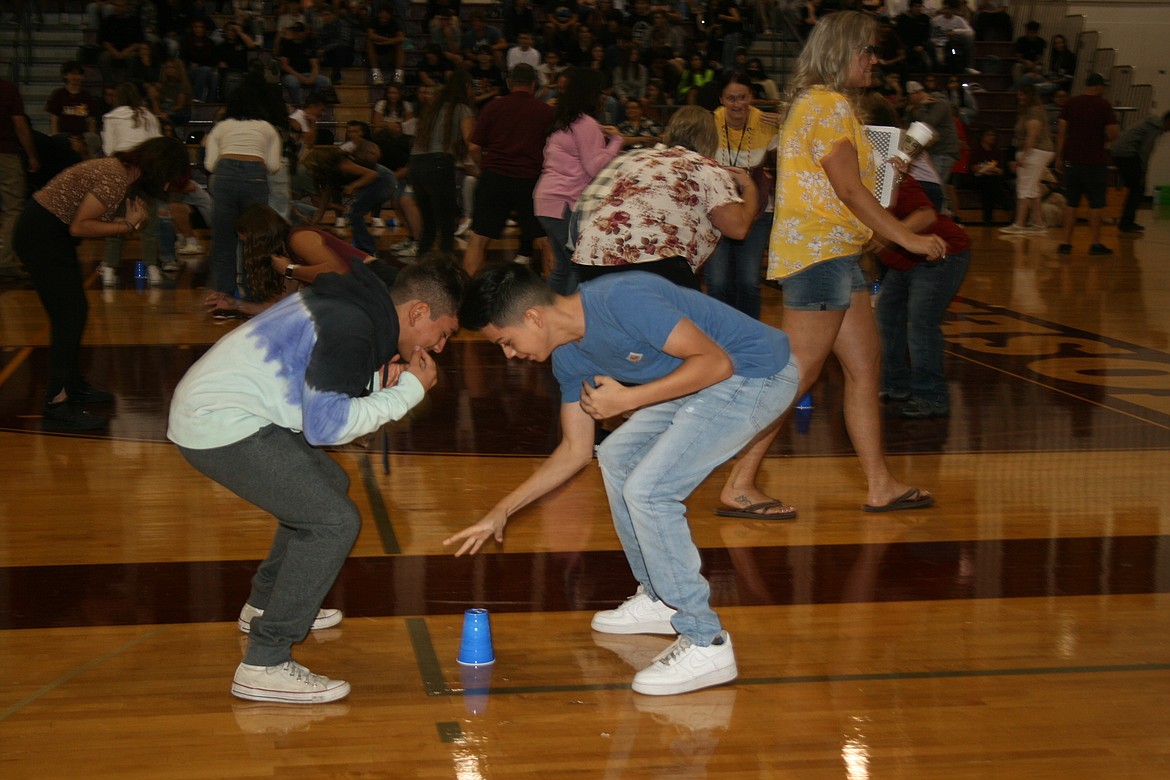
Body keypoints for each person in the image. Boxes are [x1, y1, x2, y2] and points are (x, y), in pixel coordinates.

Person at [445, 264, 799, 696]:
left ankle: (707, 641)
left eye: (506, 341)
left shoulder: (621, 299)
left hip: (757, 373)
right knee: (614, 454)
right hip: (706, 383)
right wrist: (500, 512)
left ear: (533, 318)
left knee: (650, 490)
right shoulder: (570, 356)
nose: (509, 355)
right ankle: (658, 597)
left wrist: (629, 398)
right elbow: (575, 451)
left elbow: (717, 362)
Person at [169, 257, 465, 705]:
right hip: (218, 424)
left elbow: (312, 371)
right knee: (333, 522)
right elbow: (325, 429)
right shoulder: (353, 326)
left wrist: (374, 384)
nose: (440, 346)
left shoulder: (359, 303)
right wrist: (408, 392)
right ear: (418, 312)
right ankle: (264, 663)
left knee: (326, 483)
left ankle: (264, 606)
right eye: (443, 333)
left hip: (227, 409)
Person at [731, 11, 944, 519]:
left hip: (835, 253)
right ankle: (739, 482)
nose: (874, 60)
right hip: (820, 255)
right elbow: (848, 190)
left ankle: (880, 483)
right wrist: (907, 242)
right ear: (843, 52)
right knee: (797, 375)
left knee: (865, 367)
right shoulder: (825, 104)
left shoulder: (825, 106)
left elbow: (850, 186)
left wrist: (885, 172)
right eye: (867, 51)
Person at [12, 136, 189, 431]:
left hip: (49, 235)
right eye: (170, 179)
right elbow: (80, 225)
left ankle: (73, 385)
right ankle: (57, 403)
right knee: (70, 316)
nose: (168, 187)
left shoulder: (122, 172)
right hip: (41, 236)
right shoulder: (115, 177)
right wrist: (127, 226)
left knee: (72, 314)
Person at [571, 105, 759, 289]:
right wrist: (749, 187)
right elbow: (738, 228)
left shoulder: (639, 160)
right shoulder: (708, 168)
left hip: (591, 256)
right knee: (688, 316)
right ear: (711, 139)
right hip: (651, 259)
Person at [875, 175, 971, 418]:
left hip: (941, 252)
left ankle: (931, 395)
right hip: (902, 260)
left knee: (921, 324)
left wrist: (889, 235)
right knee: (888, 317)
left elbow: (926, 215)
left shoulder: (893, 177)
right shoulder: (848, 188)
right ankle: (896, 384)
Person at [534, 67, 623, 295]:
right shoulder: (586, 124)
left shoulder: (563, 120)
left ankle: (550, 319)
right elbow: (595, 167)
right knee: (578, 266)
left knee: (563, 267)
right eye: (601, 92)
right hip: (564, 203)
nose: (604, 97)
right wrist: (616, 141)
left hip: (547, 201)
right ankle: (568, 323)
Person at [204, 203, 374, 318]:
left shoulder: (297, 238)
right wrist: (236, 304)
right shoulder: (286, 256)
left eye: (249, 243)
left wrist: (290, 270)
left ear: (260, 237)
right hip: (365, 292)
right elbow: (279, 307)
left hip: (378, 280)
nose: (248, 251)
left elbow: (337, 271)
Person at [463, 64, 555, 276]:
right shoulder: (546, 111)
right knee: (544, 240)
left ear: (509, 83)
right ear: (534, 84)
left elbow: (473, 146)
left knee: (479, 238)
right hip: (532, 180)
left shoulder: (493, 107)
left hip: (495, 176)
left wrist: (482, 168)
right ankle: (555, 298)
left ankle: (467, 297)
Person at [707, 72, 778, 320]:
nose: (737, 104)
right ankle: (718, 335)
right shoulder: (708, 124)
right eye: (731, 98)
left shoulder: (769, 124)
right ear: (722, 99)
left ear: (751, 97)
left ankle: (749, 337)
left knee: (749, 281)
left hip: (757, 212)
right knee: (717, 282)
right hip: (717, 212)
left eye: (742, 97)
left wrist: (788, 126)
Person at [204, 88, 284, 297]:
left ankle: (223, 297)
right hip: (255, 177)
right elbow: (274, 165)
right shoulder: (267, 128)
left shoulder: (221, 127)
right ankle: (255, 294)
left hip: (224, 177)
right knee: (256, 238)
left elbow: (210, 165)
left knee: (223, 241)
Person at [100, 82, 168, 287]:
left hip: (122, 169)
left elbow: (109, 149)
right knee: (149, 224)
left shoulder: (110, 117)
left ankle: (110, 271)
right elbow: (159, 146)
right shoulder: (148, 116)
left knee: (117, 222)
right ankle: (153, 270)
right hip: (146, 170)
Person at [408, 69, 475, 255]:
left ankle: (418, 269)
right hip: (438, 164)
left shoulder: (434, 108)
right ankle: (447, 271)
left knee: (429, 224)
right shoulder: (462, 108)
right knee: (447, 225)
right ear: (467, 87)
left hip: (416, 164)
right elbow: (470, 141)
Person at [1056, 73, 1119, 256]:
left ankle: (1066, 243)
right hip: (1095, 162)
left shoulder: (1071, 103)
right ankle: (1095, 243)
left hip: (1072, 161)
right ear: (1098, 86)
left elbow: (1061, 133)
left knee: (1071, 203)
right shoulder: (1104, 105)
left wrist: (1060, 157)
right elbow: (1112, 133)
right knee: (1096, 204)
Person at [998, 84, 1053, 235]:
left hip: (1035, 151)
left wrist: (1023, 157)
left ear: (1030, 95)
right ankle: (1039, 223)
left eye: (1022, 94)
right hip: (1033, 151)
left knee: (1024, 188)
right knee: (1032, 188)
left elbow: (1032, 135)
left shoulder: (1034, 111)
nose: (1019, 97)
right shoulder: (1027, 111)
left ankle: (1019, 223)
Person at [0, 76, 39, 281]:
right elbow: (19, 124)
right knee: (12, 209)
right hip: (5, 153)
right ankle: (5, 261)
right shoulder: (8, 89)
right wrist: (31, 155)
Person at [1112, 110, 1170, 234]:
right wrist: (1143, 172)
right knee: (1138, 188)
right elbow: (1145, 151)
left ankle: (1126, 221)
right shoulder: (1153, 128)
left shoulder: (1149, 123)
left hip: (1120, 154)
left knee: (1135, 188)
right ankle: (1126, 223)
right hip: (1127, 155)